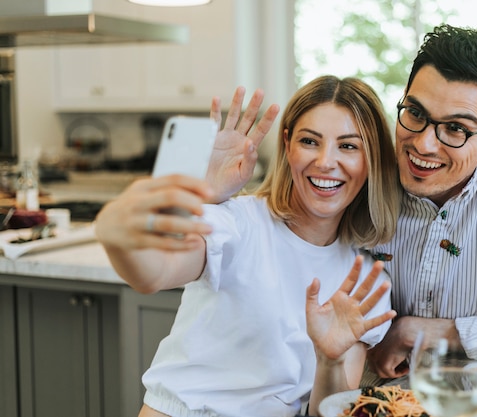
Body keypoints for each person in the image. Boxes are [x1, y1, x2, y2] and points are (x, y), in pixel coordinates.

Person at [207, 24, 477, 385]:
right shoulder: (363, 171)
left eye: (456, 129)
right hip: (374, 399)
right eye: (415, 114)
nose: (423, 145)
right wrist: (210, 198)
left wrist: (415, 331)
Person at [95, 75, 401, 417]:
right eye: (310, 141)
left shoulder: (365, 280)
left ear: (372, 159)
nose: (326, 161)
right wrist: (119, 238)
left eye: (348, 146)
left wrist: (329, 360)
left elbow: (327, 413)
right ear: (288, 145)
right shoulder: (238, 223)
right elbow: (154, 273)